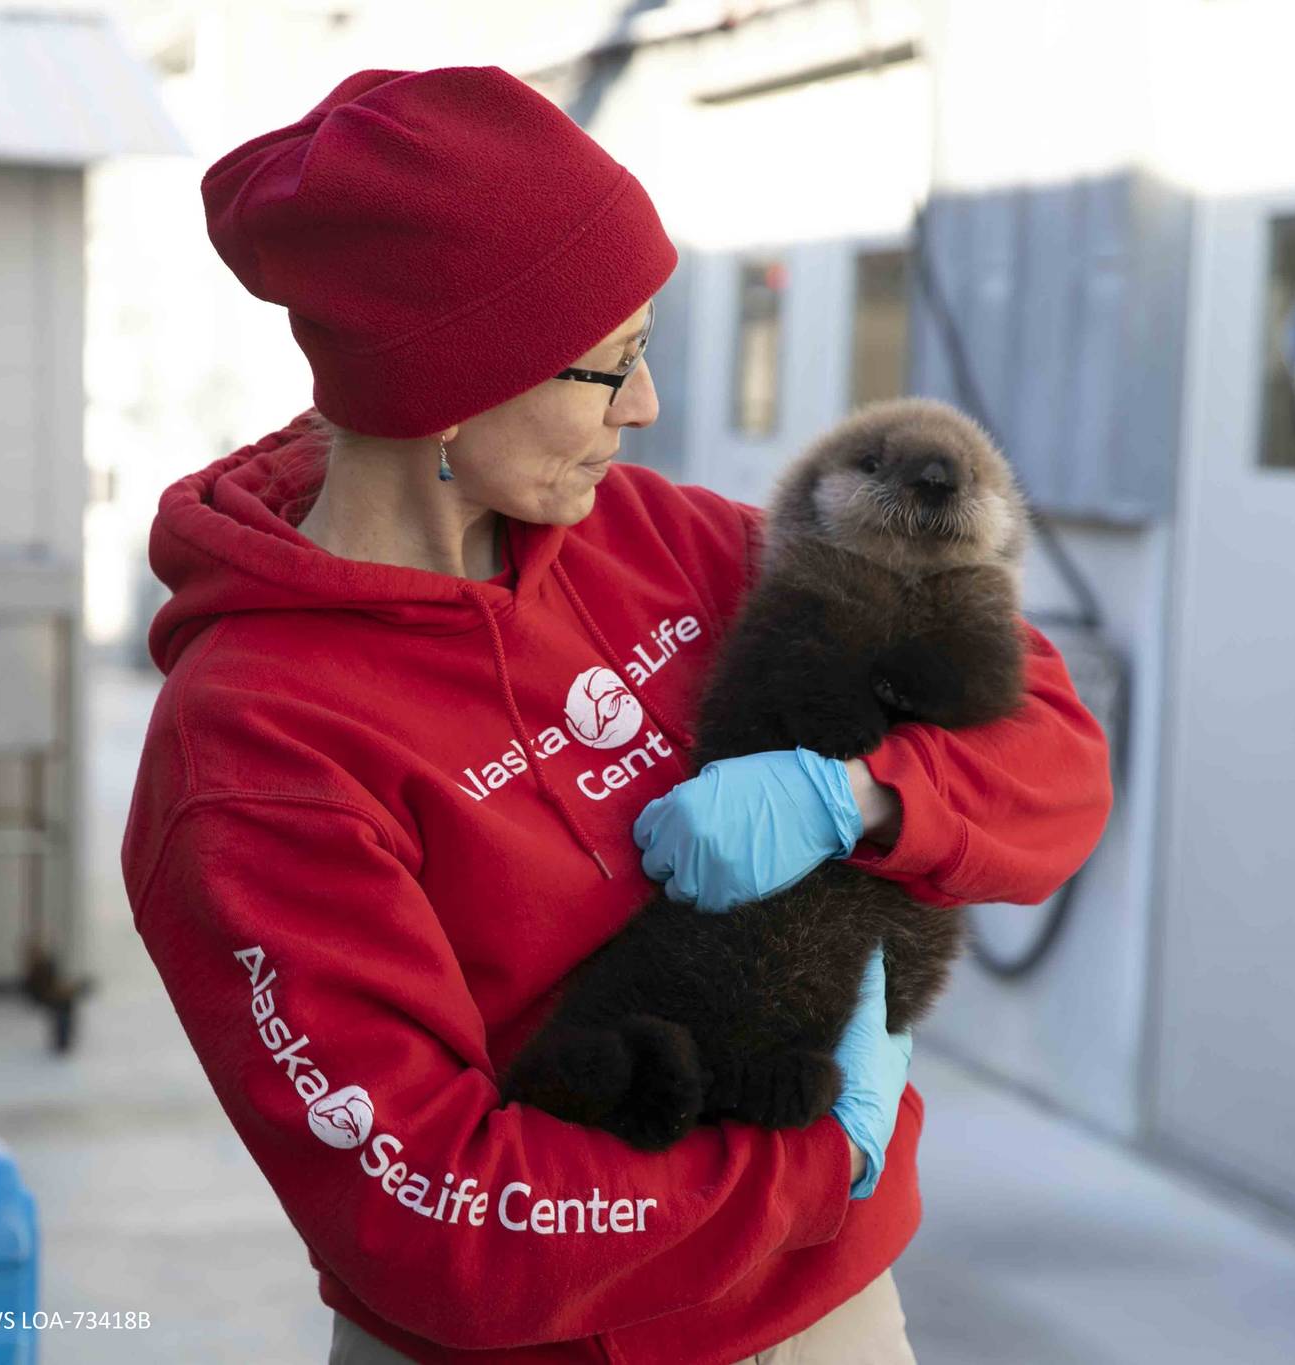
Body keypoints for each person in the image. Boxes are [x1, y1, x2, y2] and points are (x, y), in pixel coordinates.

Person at [122, 66, 1113, 1365]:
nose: (643, 407)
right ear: (449, 382)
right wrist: (817, 1161)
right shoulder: (258, 747)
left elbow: (1047, 748)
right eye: (612, 364)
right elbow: (435, 1218)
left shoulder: (661, 540)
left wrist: (863, 798)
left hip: (823, 1320)